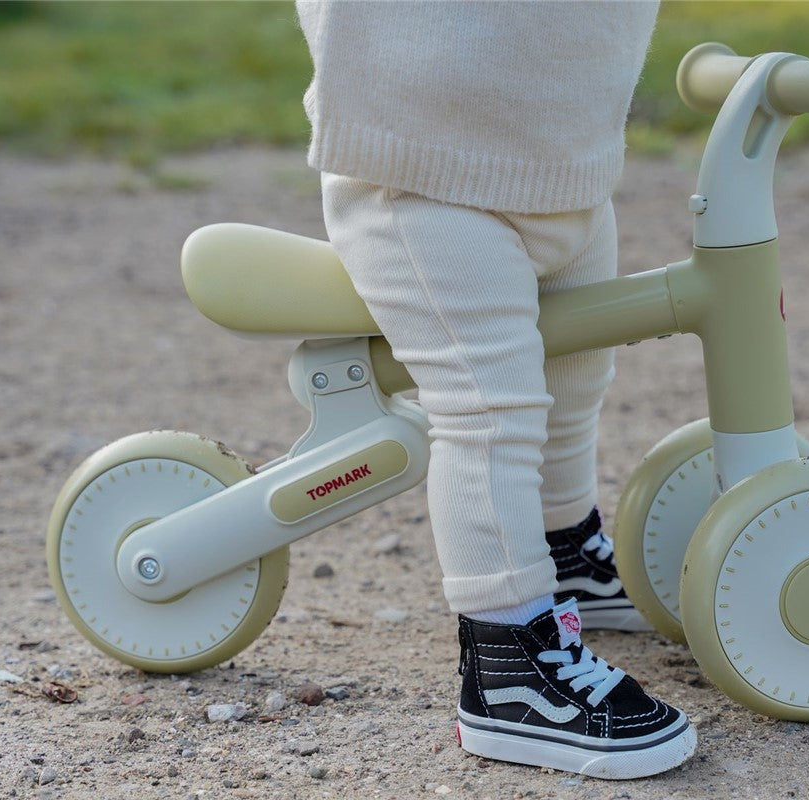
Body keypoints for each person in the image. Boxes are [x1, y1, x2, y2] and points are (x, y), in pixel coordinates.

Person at [297, 0, 696, 778]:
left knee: (576, 378)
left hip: (566, 159)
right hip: (423, 166)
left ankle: (562, 550)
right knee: (489, 409)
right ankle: (506, 660)